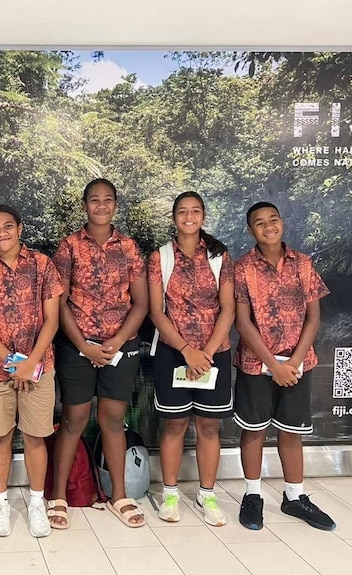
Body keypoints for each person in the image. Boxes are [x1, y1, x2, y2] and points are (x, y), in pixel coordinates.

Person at [50, 178, 148, 529]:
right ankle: (59, 495)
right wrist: (83, 345)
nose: (101, 206)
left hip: (120, 348)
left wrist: (117, 341)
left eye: (108, 200)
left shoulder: (130, 248)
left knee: (111, 420)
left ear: (116, 205)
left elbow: (141, 303)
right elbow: (59, 304)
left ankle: (119, 495)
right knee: (74, 420)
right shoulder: (69, 247)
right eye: (95, 200)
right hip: (77, 346)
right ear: (85, 205)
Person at [234, 201, 335, 531]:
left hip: (297, 364)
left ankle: (295, 497)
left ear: (282, 223)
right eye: (259, 223)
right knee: (254, 431)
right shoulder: (242, 268)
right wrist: (271, 364)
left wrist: (292, 362)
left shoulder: (303, 264)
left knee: (291, 433)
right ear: (251, 230)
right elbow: (243, 323)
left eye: (273, 220)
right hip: (255, 364)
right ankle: (252, 496)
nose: (268, 227)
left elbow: (314, 317)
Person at [0, 205, 63, 538]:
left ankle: (37, 502)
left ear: (20, 228)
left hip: (39, 367)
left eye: (8, 226)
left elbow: (52, 320)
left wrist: (30, 363)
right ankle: (1, 502)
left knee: (36, 436)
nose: (2, 233)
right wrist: (13, 362)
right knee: (0, 436)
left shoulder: (42, 265)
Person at [147, 192, 234, 526]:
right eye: (182, 211)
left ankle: (207, 495)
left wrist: (207, 353)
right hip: (173, 353)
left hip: (215, 354)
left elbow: (227, 308)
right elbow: (156, 311)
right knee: (174, 424)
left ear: (203, 216)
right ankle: (170, 494)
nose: (188, 216)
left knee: (209, 426)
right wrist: (187, 351)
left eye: (195, 211)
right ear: (174, 218)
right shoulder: (160, 257)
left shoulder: (219, 256)